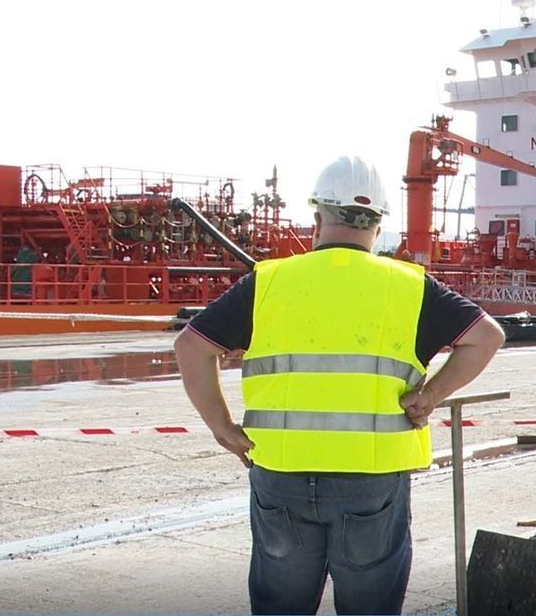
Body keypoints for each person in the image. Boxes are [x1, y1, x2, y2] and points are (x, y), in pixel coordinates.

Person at [174, 156, 505, 615]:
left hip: (280, 474)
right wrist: (429, 396)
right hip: (371, 480)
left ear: (317, 217)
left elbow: (191, 346)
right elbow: (487, 336)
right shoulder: (409, 286)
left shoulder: (270, 282)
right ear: (377, 223)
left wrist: (221, 425)